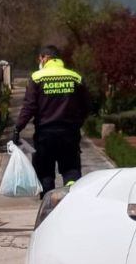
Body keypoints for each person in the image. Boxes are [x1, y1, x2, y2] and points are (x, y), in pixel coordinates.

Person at [13, 45, 90, 196]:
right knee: (71, 170)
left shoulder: (37, 78)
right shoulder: (75, 78)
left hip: (45, 136)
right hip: (69, 135)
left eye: (40, 58)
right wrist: (77, 123)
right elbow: (86, 106)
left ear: (46, 58)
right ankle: (71, 199)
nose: (39, 62)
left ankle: (49, 207)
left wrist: (17, 128)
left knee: (45, 173)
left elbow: (29, 107)